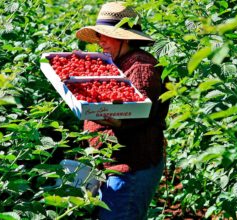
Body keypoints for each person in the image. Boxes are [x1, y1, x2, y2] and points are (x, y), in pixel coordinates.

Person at [75, 2, 169, 219]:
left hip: (131, 168)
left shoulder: (141, 66)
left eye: (107, 35)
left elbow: (142, 108)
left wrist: (120, 122)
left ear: (125, 37)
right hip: (110, 165)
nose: (101, 41)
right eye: (99, 36)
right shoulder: (116, 62)